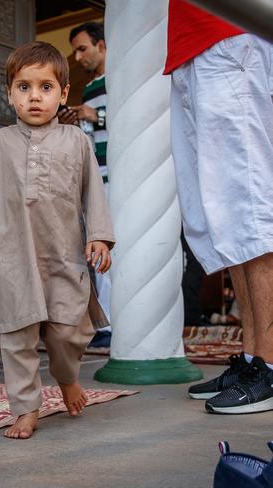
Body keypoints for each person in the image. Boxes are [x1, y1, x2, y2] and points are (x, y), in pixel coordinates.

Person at [0, 42, 115, 439]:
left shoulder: (77, 141)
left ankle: (66, 378)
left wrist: (99, 236)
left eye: (45, 87)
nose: (34, 97)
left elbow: (93, 192)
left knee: (67, 333)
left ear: (63, 94)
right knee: (16, 336)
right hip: (11, 257)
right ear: (10, 94)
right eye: (24, 88)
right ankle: (26, 408)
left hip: (62, 255)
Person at [165, 0, 273, 414]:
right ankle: (251, 358)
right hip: (191, 44)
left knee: (249, 206)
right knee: (223, 216)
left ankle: (269, 362)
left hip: (228, 34)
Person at [60, 22, 111, 348]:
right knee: (100, 251)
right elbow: (92, 139)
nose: (78, 57)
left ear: (102, 46)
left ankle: (113, 323)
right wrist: (76, 124)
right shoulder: (91, 87)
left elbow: (139, 122)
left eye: (83, 48)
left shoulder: (127, 78)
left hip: (126, 178)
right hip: (100, 180)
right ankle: (104, 324)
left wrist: (98, 116)